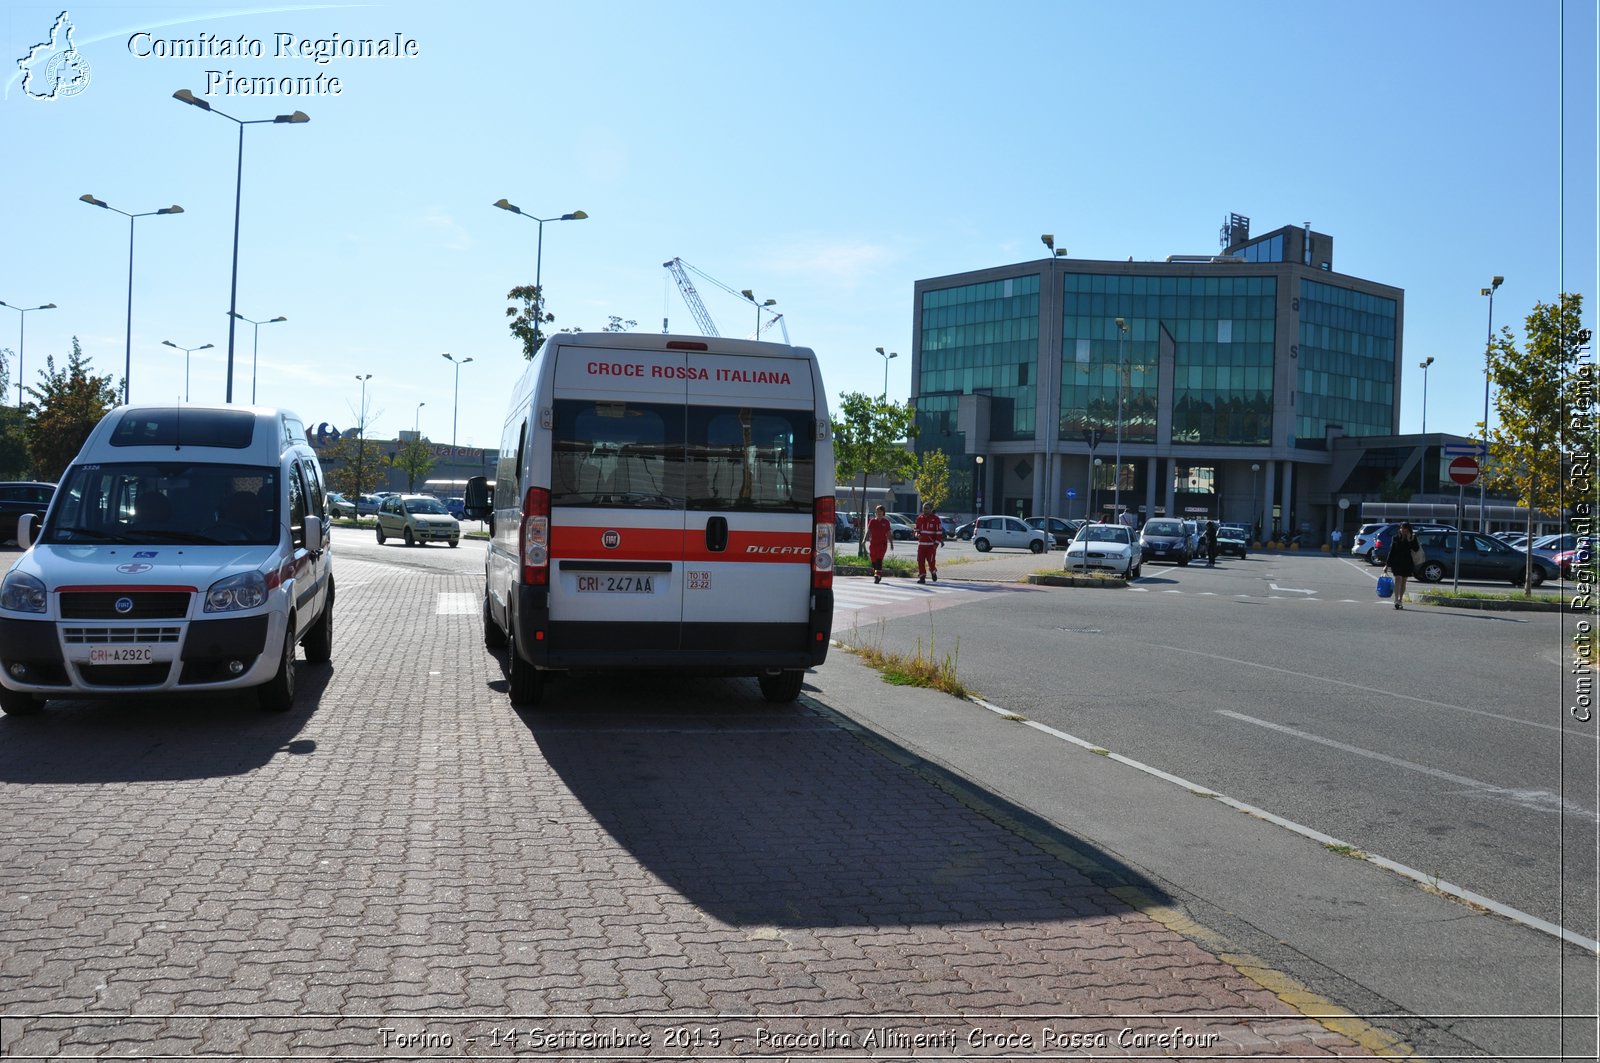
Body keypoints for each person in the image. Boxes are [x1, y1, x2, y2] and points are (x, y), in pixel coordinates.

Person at [1383, 521, 1419, 610]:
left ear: (1408, 530)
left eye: (1405, 528)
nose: (1403, 530)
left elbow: (1416, 549)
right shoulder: (1395, 538)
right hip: (1397, 562)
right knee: (1398, 579)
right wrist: (1387, 565)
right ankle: (1396, 600)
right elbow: (1391, 551)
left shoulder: (1412, 538)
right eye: (1401, 528)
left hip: (1407, 562)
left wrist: (1410, 539)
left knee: (1403, 581)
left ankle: (1400, 599)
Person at [915, 501, 943, 584]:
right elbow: (916, 530)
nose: (925, 510)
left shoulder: (936, 519)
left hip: (931, 545)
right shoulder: (919, 518)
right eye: (924, 508)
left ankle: (933, 571)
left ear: (931, 509)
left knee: (931, 561)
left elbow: (939, 533)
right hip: (921, 544)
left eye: (927, 508)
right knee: (920, 561)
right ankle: (922, 577)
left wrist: (936, 544)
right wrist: (917, 534)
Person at [866, 505, 893, 584]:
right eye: (877, 511)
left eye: (880, 511)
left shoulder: (886, 522)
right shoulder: (872, 521)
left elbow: (888, 533)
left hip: (882, 544)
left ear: (883, 512)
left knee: (879, 560)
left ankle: (877, 576)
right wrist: (864, 539)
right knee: (874, 561)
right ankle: (877, 574)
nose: (878, 513)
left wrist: (891, 543)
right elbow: (868, 531)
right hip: (873, 544)